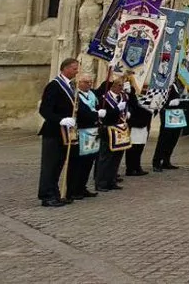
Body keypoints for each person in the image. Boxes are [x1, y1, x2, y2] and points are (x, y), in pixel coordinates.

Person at [37, 57, 79, 207]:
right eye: (74, 68)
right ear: (65, 68)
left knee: (59, 164)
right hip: (53, 131)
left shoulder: (70, 86)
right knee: (50, 165)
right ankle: (46, 195)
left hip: (65, 133)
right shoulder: (54, 86)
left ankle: (55, 193)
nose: (77, 71)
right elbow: (44, 110)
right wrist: (60, 119)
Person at [68, 72, 100, 200]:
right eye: (86, 82)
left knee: (89, 162)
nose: (89, 84)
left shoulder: (92, 94)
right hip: (81, 131)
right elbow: (81, 112)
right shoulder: (76, 95)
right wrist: (97, 115)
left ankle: (83, 186)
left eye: (91, 82)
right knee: (79, 163)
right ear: (79, 82)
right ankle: (74, 189)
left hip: (93, 131)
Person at [94, 77, 129, 191]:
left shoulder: (123, 97)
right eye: (119, 86)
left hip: (120, 129)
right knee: (106, 157)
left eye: (122, 86)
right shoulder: (104, 99)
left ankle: (111, 180)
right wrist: (116, 109)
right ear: (113, 86)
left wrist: (128, 113)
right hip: (108, 129)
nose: (121, 88)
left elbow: (129, 107)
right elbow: (104, 116)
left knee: (117, 157)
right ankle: (101, 182)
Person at [152, 82, 187, 172]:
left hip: (178, 114)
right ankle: (156, 162)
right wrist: (168, 103)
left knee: (173, 138)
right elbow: (159, 97)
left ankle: (166, 160)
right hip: (167, 112)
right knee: (164, 139)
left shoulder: (182, 85)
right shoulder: (167, 84)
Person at [123, 81, 152, 176]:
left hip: (144, 121)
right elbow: (133, 104)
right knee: (133, 147)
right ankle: (130, 168)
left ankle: (137, 166)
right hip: (135, 122)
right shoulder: (130, 92)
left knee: (140, 146)